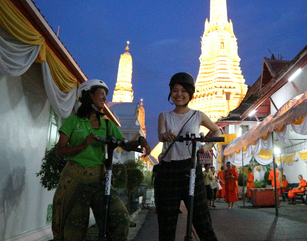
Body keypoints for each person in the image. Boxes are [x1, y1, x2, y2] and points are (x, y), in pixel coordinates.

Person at [51, 79, 151, 241]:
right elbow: (60, 151)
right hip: (74, 180)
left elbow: (124, 144)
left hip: (98, 180)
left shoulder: (107, 125)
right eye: (101, 94)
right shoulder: (73, 121)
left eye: (106, 95)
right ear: (88, 96)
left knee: (119, 219)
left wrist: (140, 141)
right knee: (72, 229)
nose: (104, 98)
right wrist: (83, 145)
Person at [154, 72, 220, 241]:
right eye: (175, 90)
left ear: (190, 93)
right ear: (170, 93)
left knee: (202, 219)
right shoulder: (164, 116)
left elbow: (216, 130)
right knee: (166, 223)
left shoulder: (198, 115)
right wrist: (167, 134)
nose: (179, 94)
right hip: (168, 170)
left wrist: (207, 146)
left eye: (184, 91)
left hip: (191, 168)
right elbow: (161, 135)